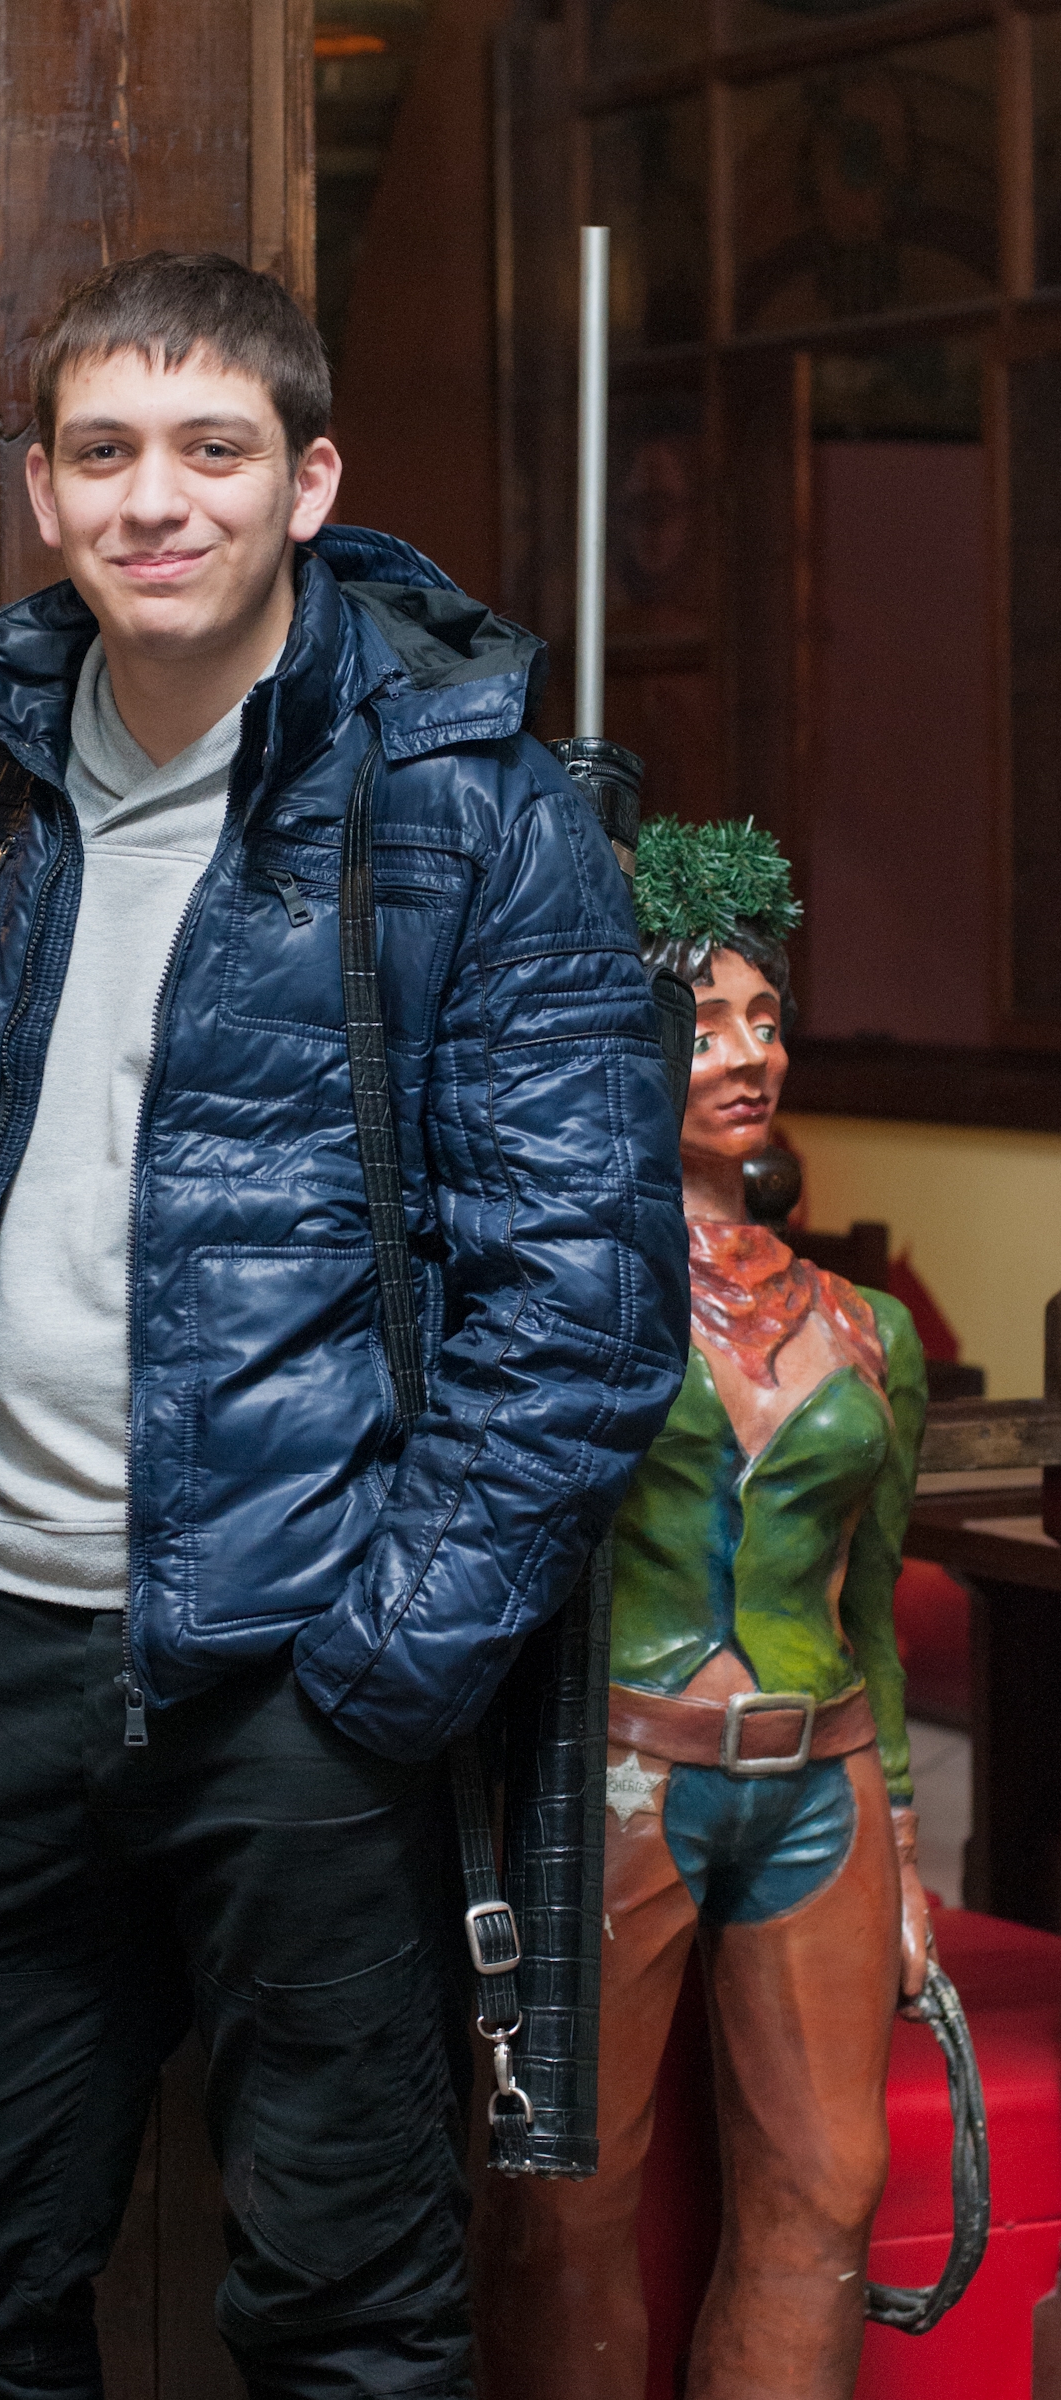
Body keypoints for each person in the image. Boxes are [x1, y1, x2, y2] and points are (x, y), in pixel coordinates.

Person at [0, 251, 690, 2400]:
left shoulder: (474, 808)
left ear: (306, 481)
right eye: (106, 451)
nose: (156, 499)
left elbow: (581, 1323)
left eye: (211, 448)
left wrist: (374, 1675)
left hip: (301, 1684)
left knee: (345, 2321)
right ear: (44, 490)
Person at [475, 817, 929, 2400]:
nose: (746, 1054)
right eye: (704, 1022)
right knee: (561, 2198)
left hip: (820, 1781)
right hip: (617, 1776)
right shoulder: (563, 1297)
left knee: (827, 2187)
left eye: (764, 1019)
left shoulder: (865, 1329)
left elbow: (876, 1612)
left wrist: (905, 1849)